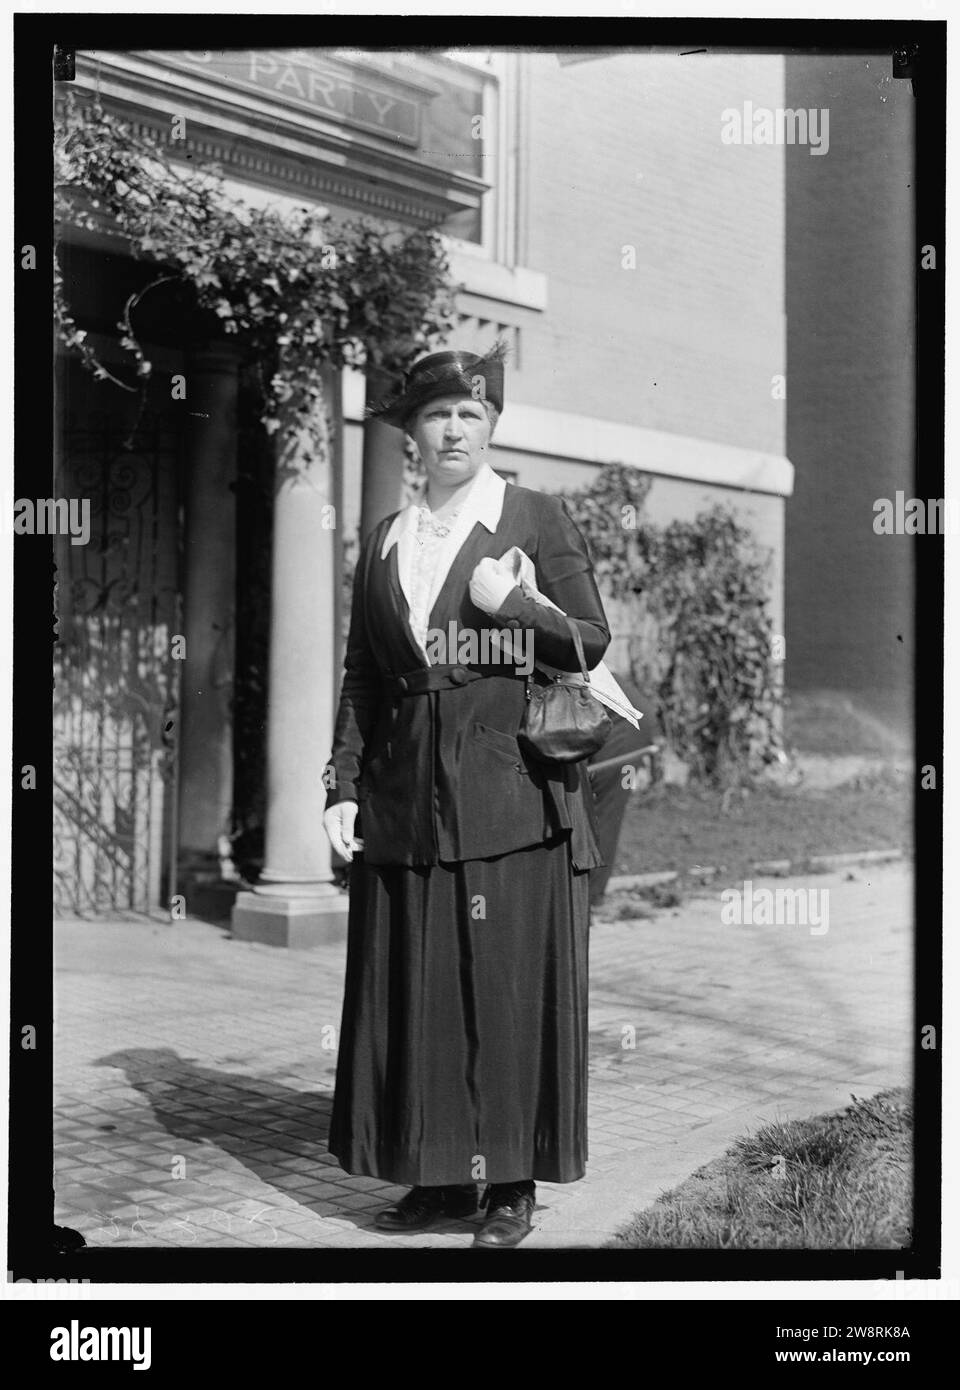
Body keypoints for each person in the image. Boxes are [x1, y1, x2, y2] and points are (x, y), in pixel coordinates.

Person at [322, 344, 610, 1248]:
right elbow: (363, 674)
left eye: (471, 415)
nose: (454, 429)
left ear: (491, 428)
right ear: (412, 432)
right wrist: (341, 783)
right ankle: (442, 1175)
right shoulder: (386, 538)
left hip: (506, 794)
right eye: (438, 414)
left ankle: (511, 1184)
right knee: (421, 983)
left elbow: (590, 643)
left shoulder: (529, 515)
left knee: (502, 986)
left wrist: (516, 605)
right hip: (405, 797)